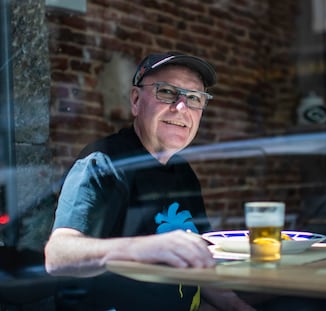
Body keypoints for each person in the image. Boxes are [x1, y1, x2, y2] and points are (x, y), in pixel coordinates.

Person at [44, 52, 256, 311]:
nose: (181, 107)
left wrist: (234, 305)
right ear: (135, 100)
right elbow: (58, 255)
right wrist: (146, 248)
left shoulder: (184, 173)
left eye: (194, 98)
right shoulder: (104, 162)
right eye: (166, 92)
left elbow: (197, 264)